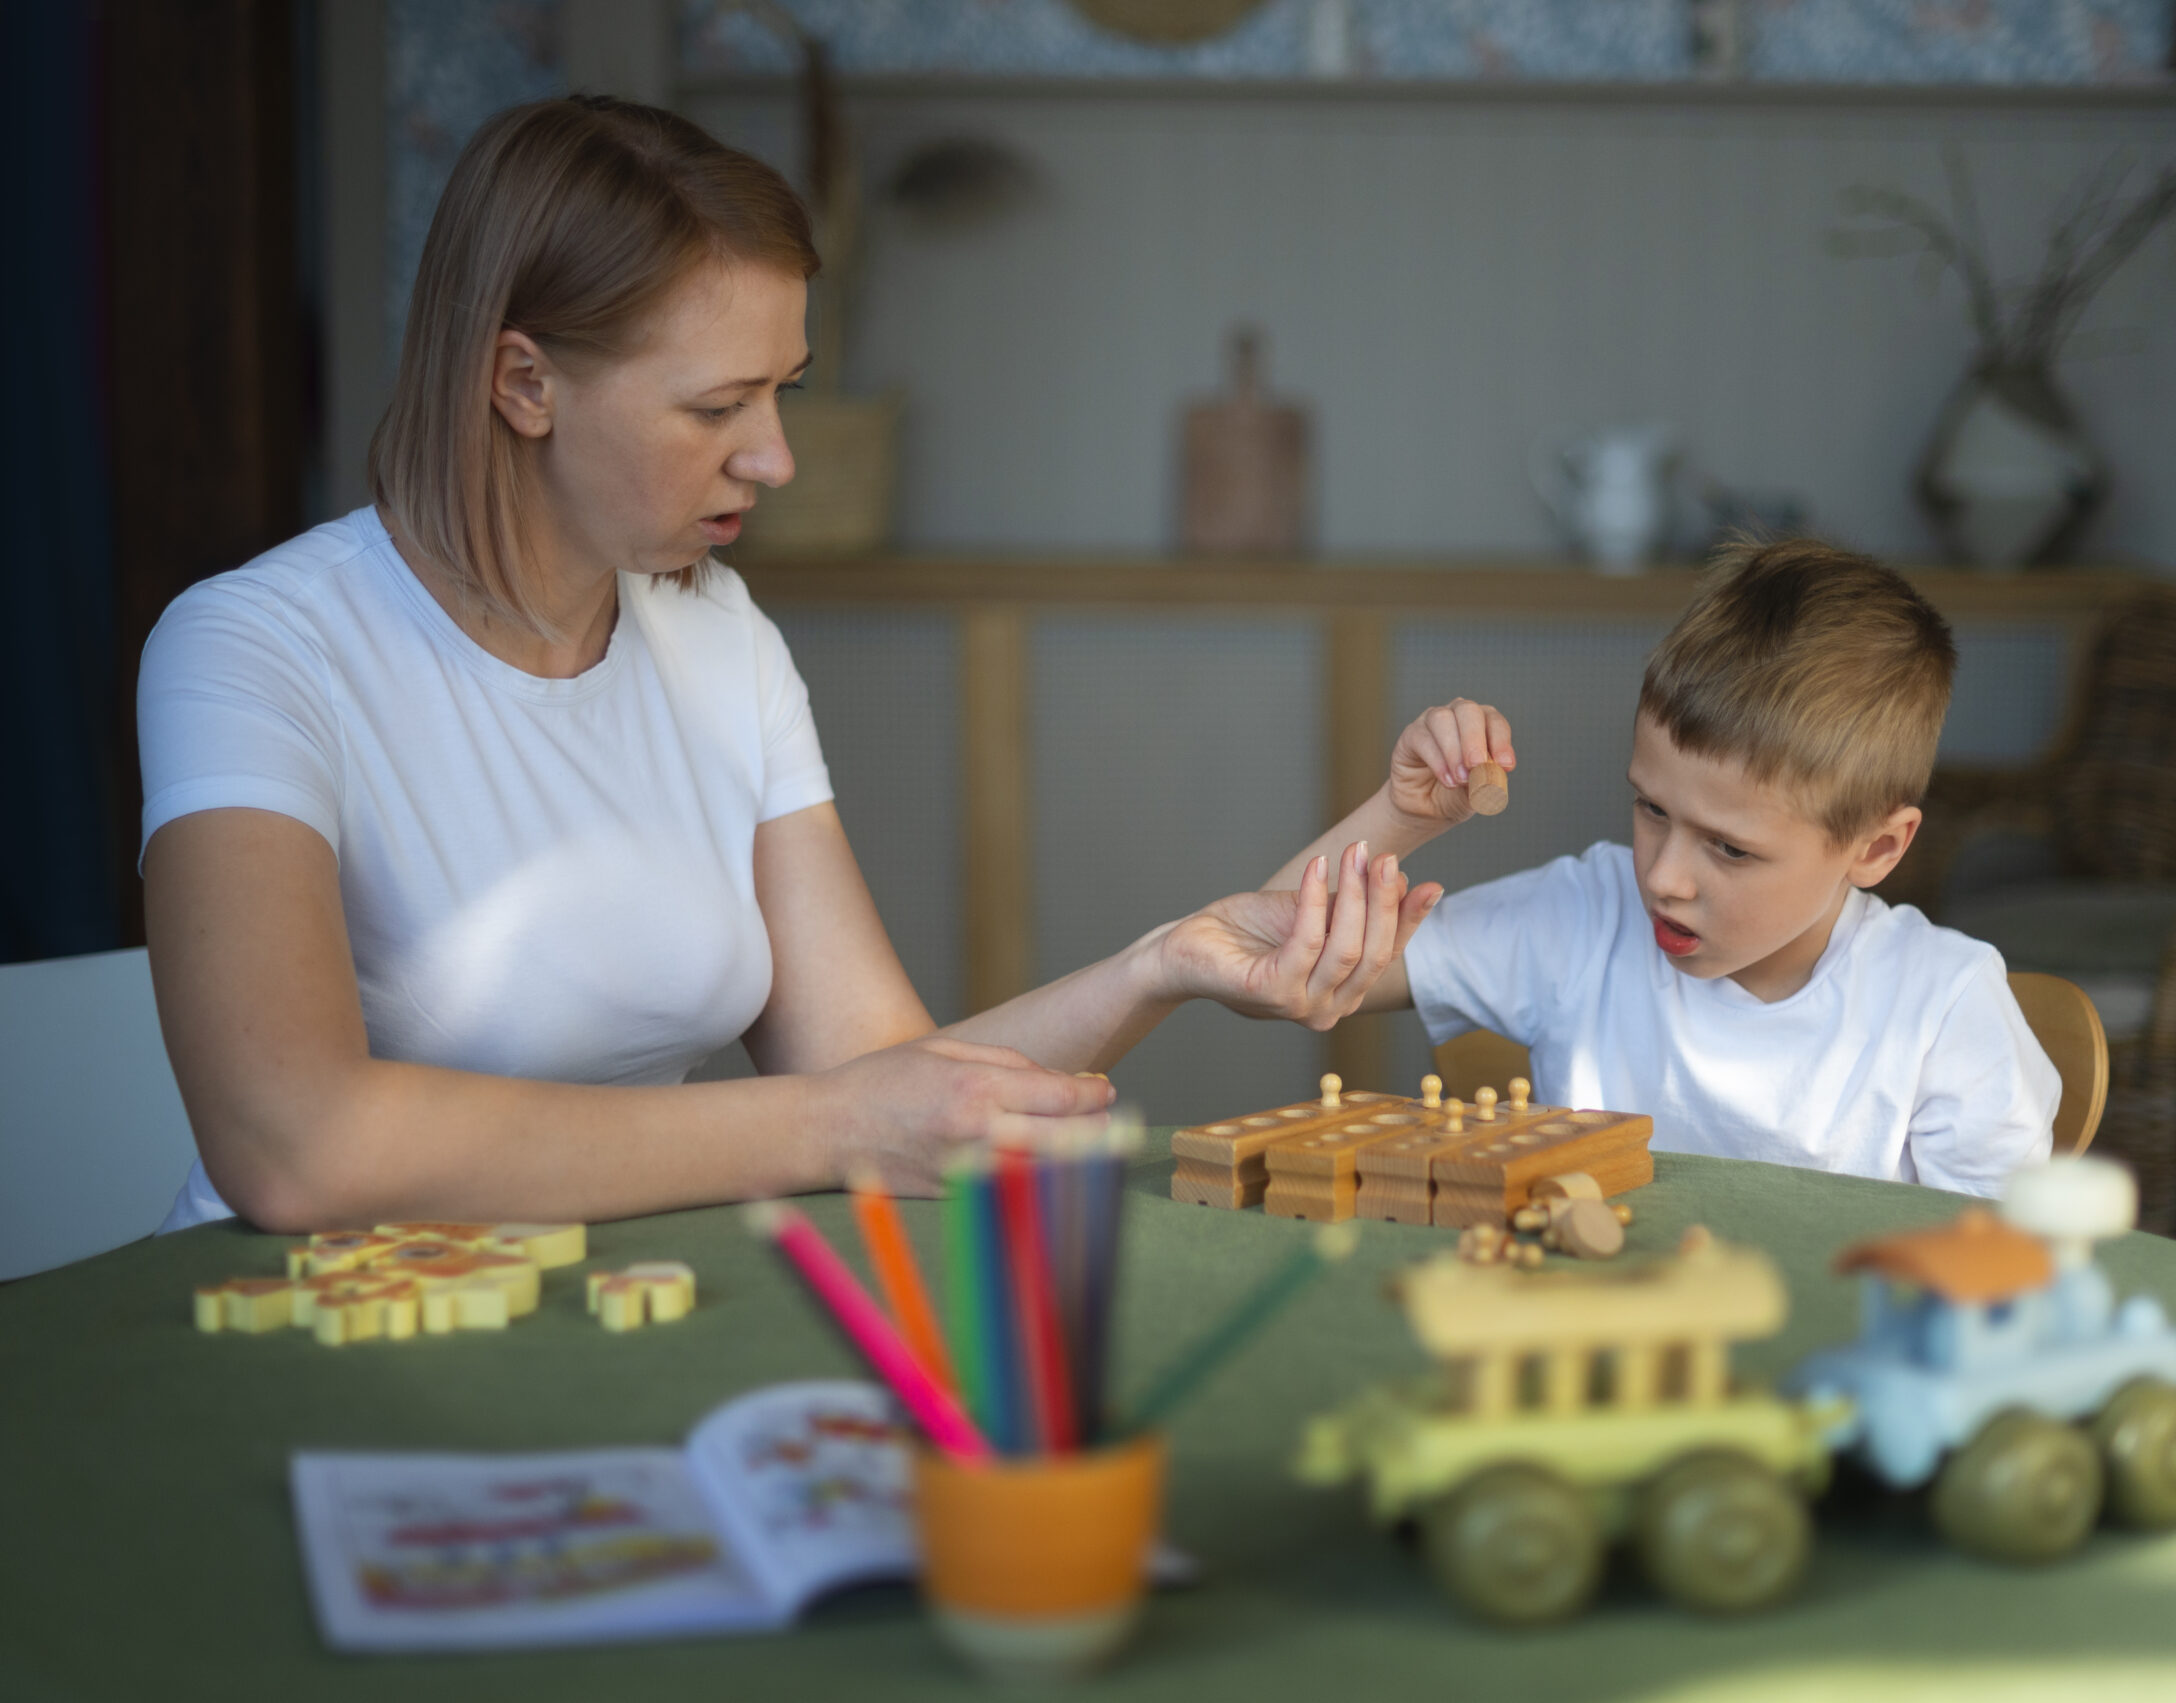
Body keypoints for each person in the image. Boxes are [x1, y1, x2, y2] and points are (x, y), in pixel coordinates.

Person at [139, 96, 1434, 1235]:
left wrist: (1164, 961)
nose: (774, 458)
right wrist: (819, 1126)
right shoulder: (254, 647)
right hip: (294, 1313)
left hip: (604, 1292)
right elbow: (293, 1146)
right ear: (524, 382)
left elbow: (883, 1073)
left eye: (785, 393)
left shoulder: (720, 636)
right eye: (715, 407)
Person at [1266, 538, 2059, 1198]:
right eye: (1651, 809)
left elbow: (2001, 1295)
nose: (1664, 878)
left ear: (1877, 848)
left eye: (1730, 847)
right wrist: (1402, 817)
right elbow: (1272, 960)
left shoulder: (1946, 1012)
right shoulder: (1585, 916)